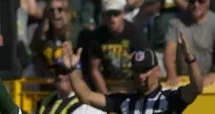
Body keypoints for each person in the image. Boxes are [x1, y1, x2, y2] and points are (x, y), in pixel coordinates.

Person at [59, 35, 203, 114]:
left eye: (145, 70)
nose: (141, 76)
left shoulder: (171, 98)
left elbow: (197, 87)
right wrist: (71, 70)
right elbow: (87, 97)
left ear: (157, 71)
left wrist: (190, 58)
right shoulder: (124, 102)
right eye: (137, 71)